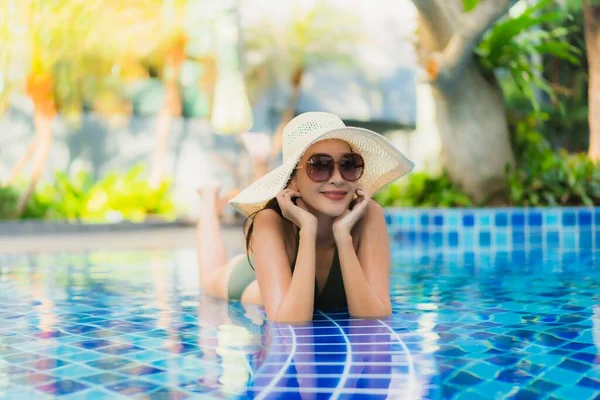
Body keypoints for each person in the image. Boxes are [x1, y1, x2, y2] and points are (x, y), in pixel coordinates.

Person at [196, 112, 414, 323]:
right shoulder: (270, 221)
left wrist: (343, 238)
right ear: (293, 181)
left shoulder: (368, 215)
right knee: (209, 280)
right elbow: (288, 321)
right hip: (252, 280)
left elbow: (374, 315)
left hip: (276, 265)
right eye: (319, 166)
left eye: (348, 165)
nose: (338, 179)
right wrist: (307, 230)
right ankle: (207, 198)